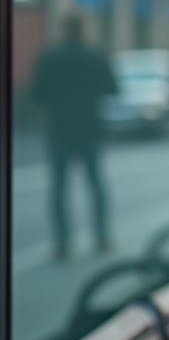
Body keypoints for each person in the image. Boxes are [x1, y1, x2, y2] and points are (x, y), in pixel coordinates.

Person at [30, 14, 119, 261]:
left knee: (59, 187)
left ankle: (62, 244)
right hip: (90, 128)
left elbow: (37, 95)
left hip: (59, 129)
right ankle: (101, 237)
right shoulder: (97, 57)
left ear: (63, 29)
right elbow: (113, 89)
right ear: (84, 30)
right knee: (95, 183)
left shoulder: (49, 58)